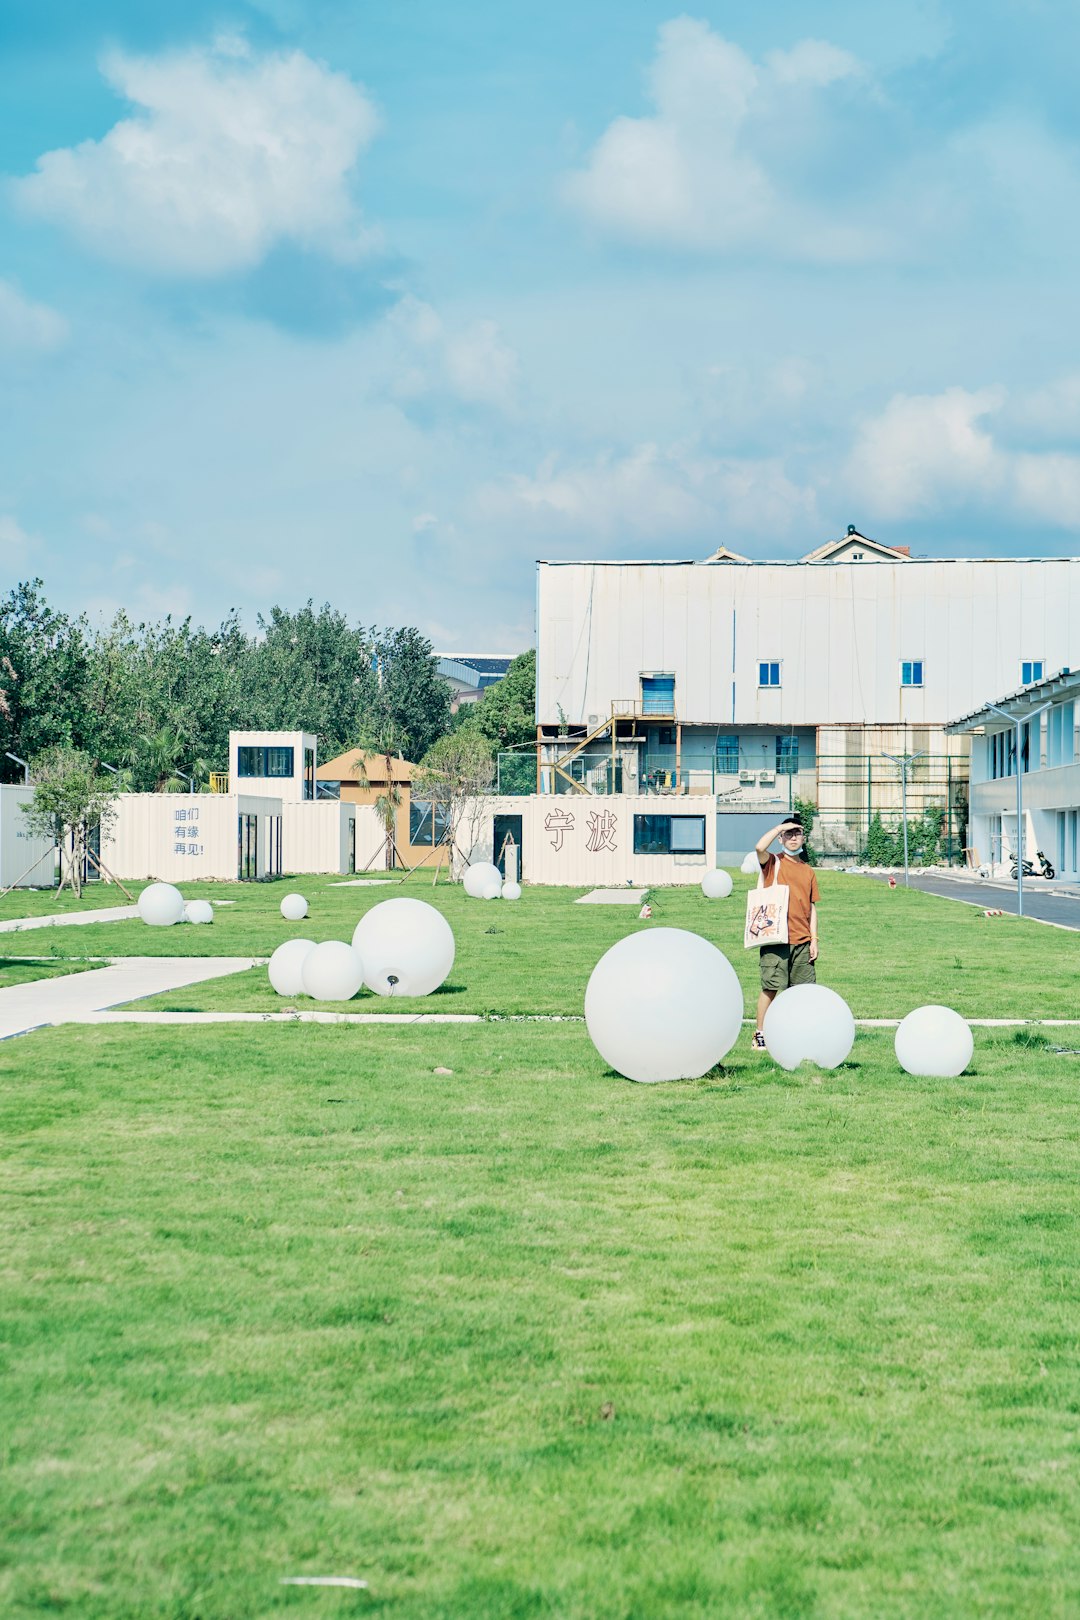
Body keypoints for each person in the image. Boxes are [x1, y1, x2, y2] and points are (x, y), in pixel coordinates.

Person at [750, 814, 820, 1050]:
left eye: (797, 833)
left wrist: (814, 939)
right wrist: (782, 826)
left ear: (804, 839)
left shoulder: (808, 871)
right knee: (771, 987)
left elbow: (812, 907)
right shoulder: (773, 862)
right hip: (776, 937)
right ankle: (760, 1033)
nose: (793, 837)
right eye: (788, 834)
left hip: (802, 940)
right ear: (780, 838)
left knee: (801, 993)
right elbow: (759, 846)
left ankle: (795, 1033)